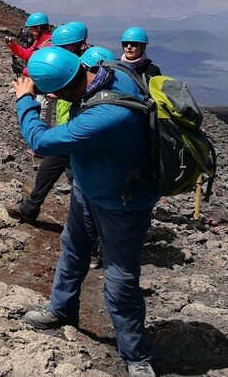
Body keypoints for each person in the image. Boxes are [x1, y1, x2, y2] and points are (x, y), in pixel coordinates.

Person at [11, 47, 158, 377]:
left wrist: (24, 99)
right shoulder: (105, 71)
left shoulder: (106, 115)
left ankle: (136, 356)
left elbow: (41, 142)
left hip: (122, 203)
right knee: (73, 250)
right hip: (88, 190)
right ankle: (61, 310)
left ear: (61, 91)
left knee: (120, 279)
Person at [5, 22, 90, 223]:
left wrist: (25, 99)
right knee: (50, 166)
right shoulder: (78, 66)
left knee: (78, 177)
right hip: (69, 123)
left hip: (78, 128)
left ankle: (94, 234)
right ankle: (30, 207)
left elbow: (40, 141)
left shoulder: (81, 66)